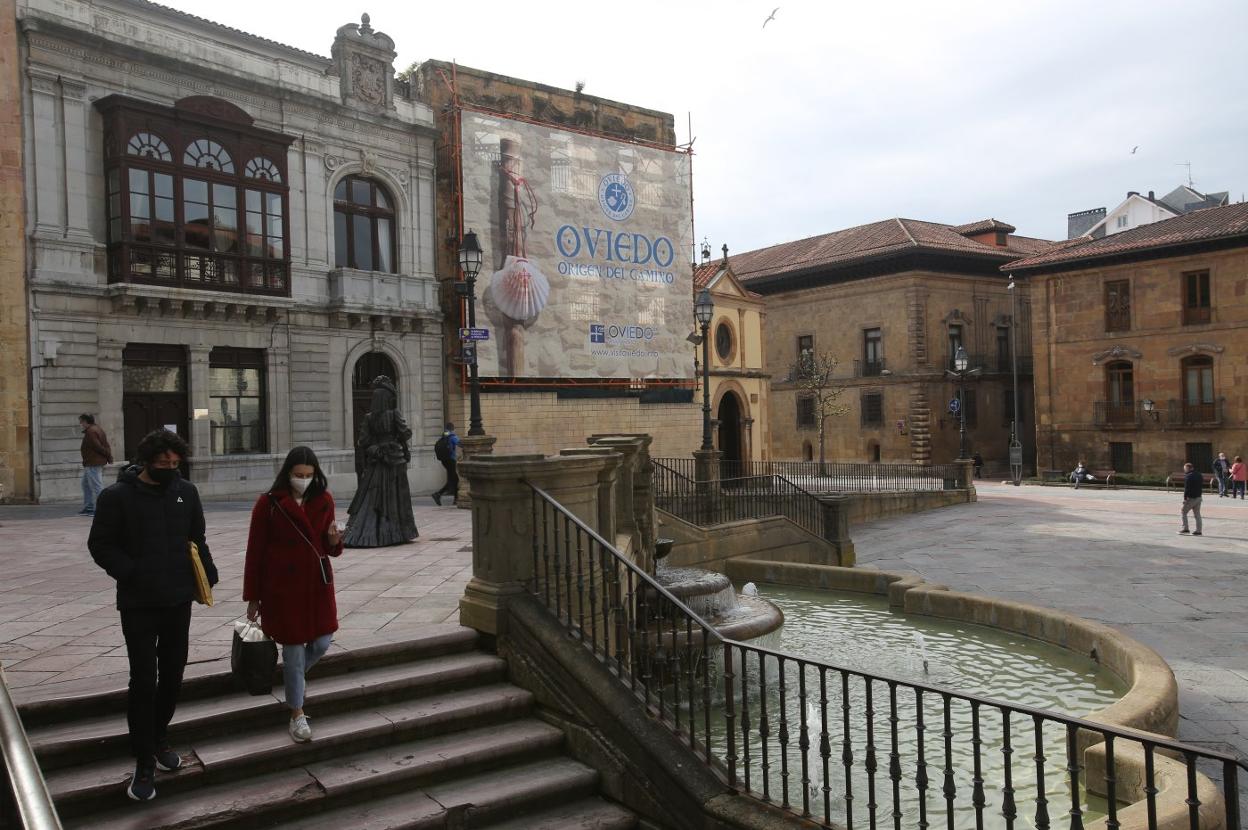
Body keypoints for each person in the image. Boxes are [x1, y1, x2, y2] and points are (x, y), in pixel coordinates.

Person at [87, 429, 216, 802]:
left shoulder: (185, 492)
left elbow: (197, 538)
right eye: (163, 464)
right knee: (144, 679)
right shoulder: (117, 497)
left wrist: (207, 573)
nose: (170, 469)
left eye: (176, 464)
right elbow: (100, 544)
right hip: (139, 602)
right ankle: (143, 760)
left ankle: (159, 737)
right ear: (147, 461)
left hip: (178, 599)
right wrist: (131, 572)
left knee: (173, 675)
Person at [243, 447, 343, 744]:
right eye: (299, 475)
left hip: (317, 585)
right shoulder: (269, 504)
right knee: (295, 651)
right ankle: (297, 714)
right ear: (288, 474)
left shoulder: (324, 500)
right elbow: (255, 552)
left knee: (323, 641)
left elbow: (330, 548)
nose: (304, 480)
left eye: (309, 475)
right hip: (282, 590)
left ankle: (293, 679)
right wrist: (253, 597)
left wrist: (335, 540)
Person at [343, 375, 417, 546]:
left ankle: (373, 534)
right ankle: (396, 533)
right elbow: (405, 433)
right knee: (395, 497)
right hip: (394, 461)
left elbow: (364, 441)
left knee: (372, 496)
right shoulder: (394, 414)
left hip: (378, 462)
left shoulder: (369, 418)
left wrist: (376, 450)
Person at [79, 414, 113, 516]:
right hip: (92, 462)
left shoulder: (91, 431)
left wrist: (109, 456)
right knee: (85, 484)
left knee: (97, 486)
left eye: (81, 422)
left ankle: (102, 509)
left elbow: (98, 446)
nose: (80, 424)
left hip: (93, 462)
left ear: (85, 421)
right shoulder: (97, 429)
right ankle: (88, 507)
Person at [431, 422, 460, 506]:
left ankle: (455, 499)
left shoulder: (444, 435)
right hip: (451, 460)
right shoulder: (452, 436)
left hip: (444, 460)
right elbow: (461, 444)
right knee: (453, 480)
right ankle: (438, 494)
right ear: (453, 428)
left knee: (454, 479)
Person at [1179, 461, 1203, 536]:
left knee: (1183, 511)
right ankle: (1198, 531)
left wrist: (1185, 498)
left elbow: (1187, 488)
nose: (1184, 470)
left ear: (1188, 468)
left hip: (1191, 497)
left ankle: (1185, 528)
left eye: (1185, 469)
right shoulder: (1199, 475)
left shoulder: (1188, 476)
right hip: (1199, 497)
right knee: (1197, 514)